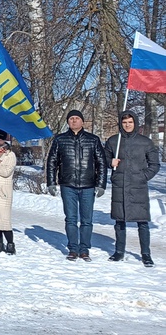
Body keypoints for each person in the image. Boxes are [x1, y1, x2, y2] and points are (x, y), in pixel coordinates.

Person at [45, 109, 106, 261]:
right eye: (71, 118)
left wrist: (101, 184)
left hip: (88, 185)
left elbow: (101, 163)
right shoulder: (60, 139)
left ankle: (84, 249)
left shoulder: (93, 140)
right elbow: (52, 162)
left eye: (77, 118)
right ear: (67, 121)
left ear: (82, 121)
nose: (74, 121)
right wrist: (51, 183)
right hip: (68, 185)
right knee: (71, 219)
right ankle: (73, 249)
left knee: (86, 220)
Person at [105, 110, 161, 267]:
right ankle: (119, 251)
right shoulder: (113, 141)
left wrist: (143, 177)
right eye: (124, 122)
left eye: (130, 122)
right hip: (120, 185)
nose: (127, 125)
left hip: (138, 186)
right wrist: (111, 162)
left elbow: (155, 164)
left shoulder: (145, 142)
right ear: (120, 124)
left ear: (135, 123)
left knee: (142, 222)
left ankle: (146, 254)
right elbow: (103, 158)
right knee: (119, 221)